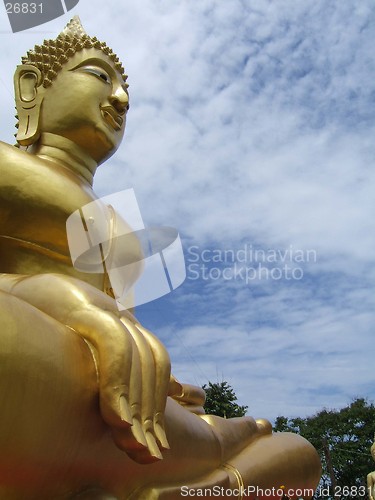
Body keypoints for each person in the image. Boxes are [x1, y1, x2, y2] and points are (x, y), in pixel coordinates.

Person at [0, 17, 321, 499]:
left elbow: (124, 332)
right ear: (32, 86)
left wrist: (165, 380)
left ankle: (196, 482)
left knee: (296, 452)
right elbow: (92, 316)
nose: (120, 100)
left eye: (125, 91)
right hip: (38, 357)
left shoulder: (120, 227)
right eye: (98, 75)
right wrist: (48, 295)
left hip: (120, 404)